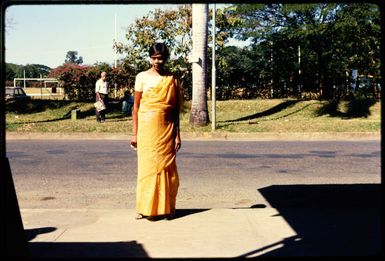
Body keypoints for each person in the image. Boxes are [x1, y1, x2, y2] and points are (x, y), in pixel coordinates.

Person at [131, 42, 183, 220]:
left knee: (166, 168)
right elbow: (136, 107)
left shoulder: (172, 79)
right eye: (154, 58)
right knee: (146, 169)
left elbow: (176, 110)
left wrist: (177, 134)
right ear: (149, 58)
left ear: (166, 59)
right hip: (146, 130)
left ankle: (167, 206)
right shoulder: (141, 77)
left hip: (166, 129)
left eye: (160, 58)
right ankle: (143, 207)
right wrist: (134, 133)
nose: (157, 61)